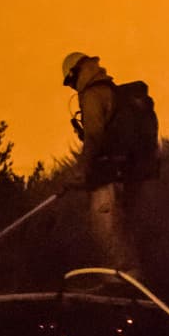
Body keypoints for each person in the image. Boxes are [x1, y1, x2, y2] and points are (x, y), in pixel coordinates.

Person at [61, 51, 152, 283]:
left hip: (108, 175)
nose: (72, 88)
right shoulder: (115, 93)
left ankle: (122, 281)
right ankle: (134, 278)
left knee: (106, 228)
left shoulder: (92, 94)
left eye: (71, 82)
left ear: (76, 74)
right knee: (125, 227)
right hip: (130, 174)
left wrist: (82, 171)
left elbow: (94, 137)